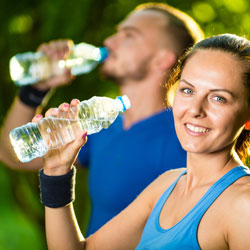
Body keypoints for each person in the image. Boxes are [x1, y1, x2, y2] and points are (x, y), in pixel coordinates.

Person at [0, 3, 204, 235]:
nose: (109, 41)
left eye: (129, 35)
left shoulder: (187, 139)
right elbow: (12, 154)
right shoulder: (99, 126)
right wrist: (36, 88)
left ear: (162, 60)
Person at [38, 33, 250, 250]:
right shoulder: (166, 185)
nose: (195, 110)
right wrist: (56, 172)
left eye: (218, 98)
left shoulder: (244, 205)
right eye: (188, 90)